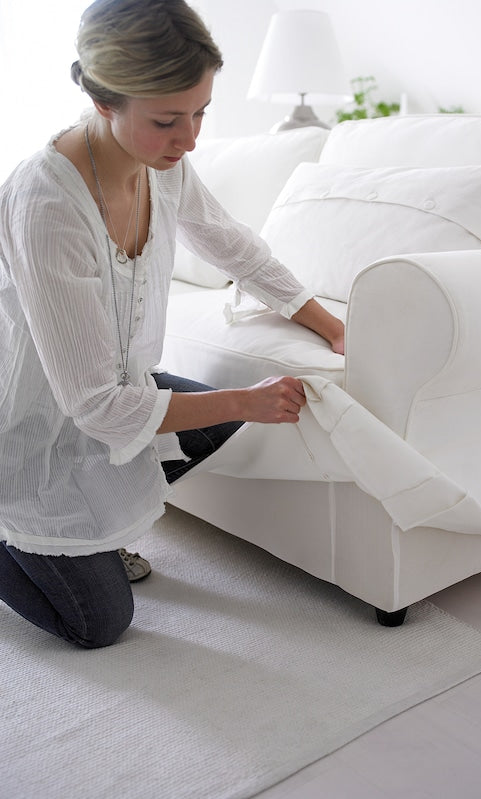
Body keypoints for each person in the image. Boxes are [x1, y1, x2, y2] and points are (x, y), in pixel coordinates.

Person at [0, 0, 344, 648]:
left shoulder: (164, 165)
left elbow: (230, 243)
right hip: (33, 425)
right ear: (105, 101)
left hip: (114, 389)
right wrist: (250, 396)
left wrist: (331, 325)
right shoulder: (46, 203)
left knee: (220, 427)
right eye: (167, 120)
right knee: (100, 622)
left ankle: (96, 531)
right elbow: (94, 405)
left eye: (200, 112)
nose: (191, 139)